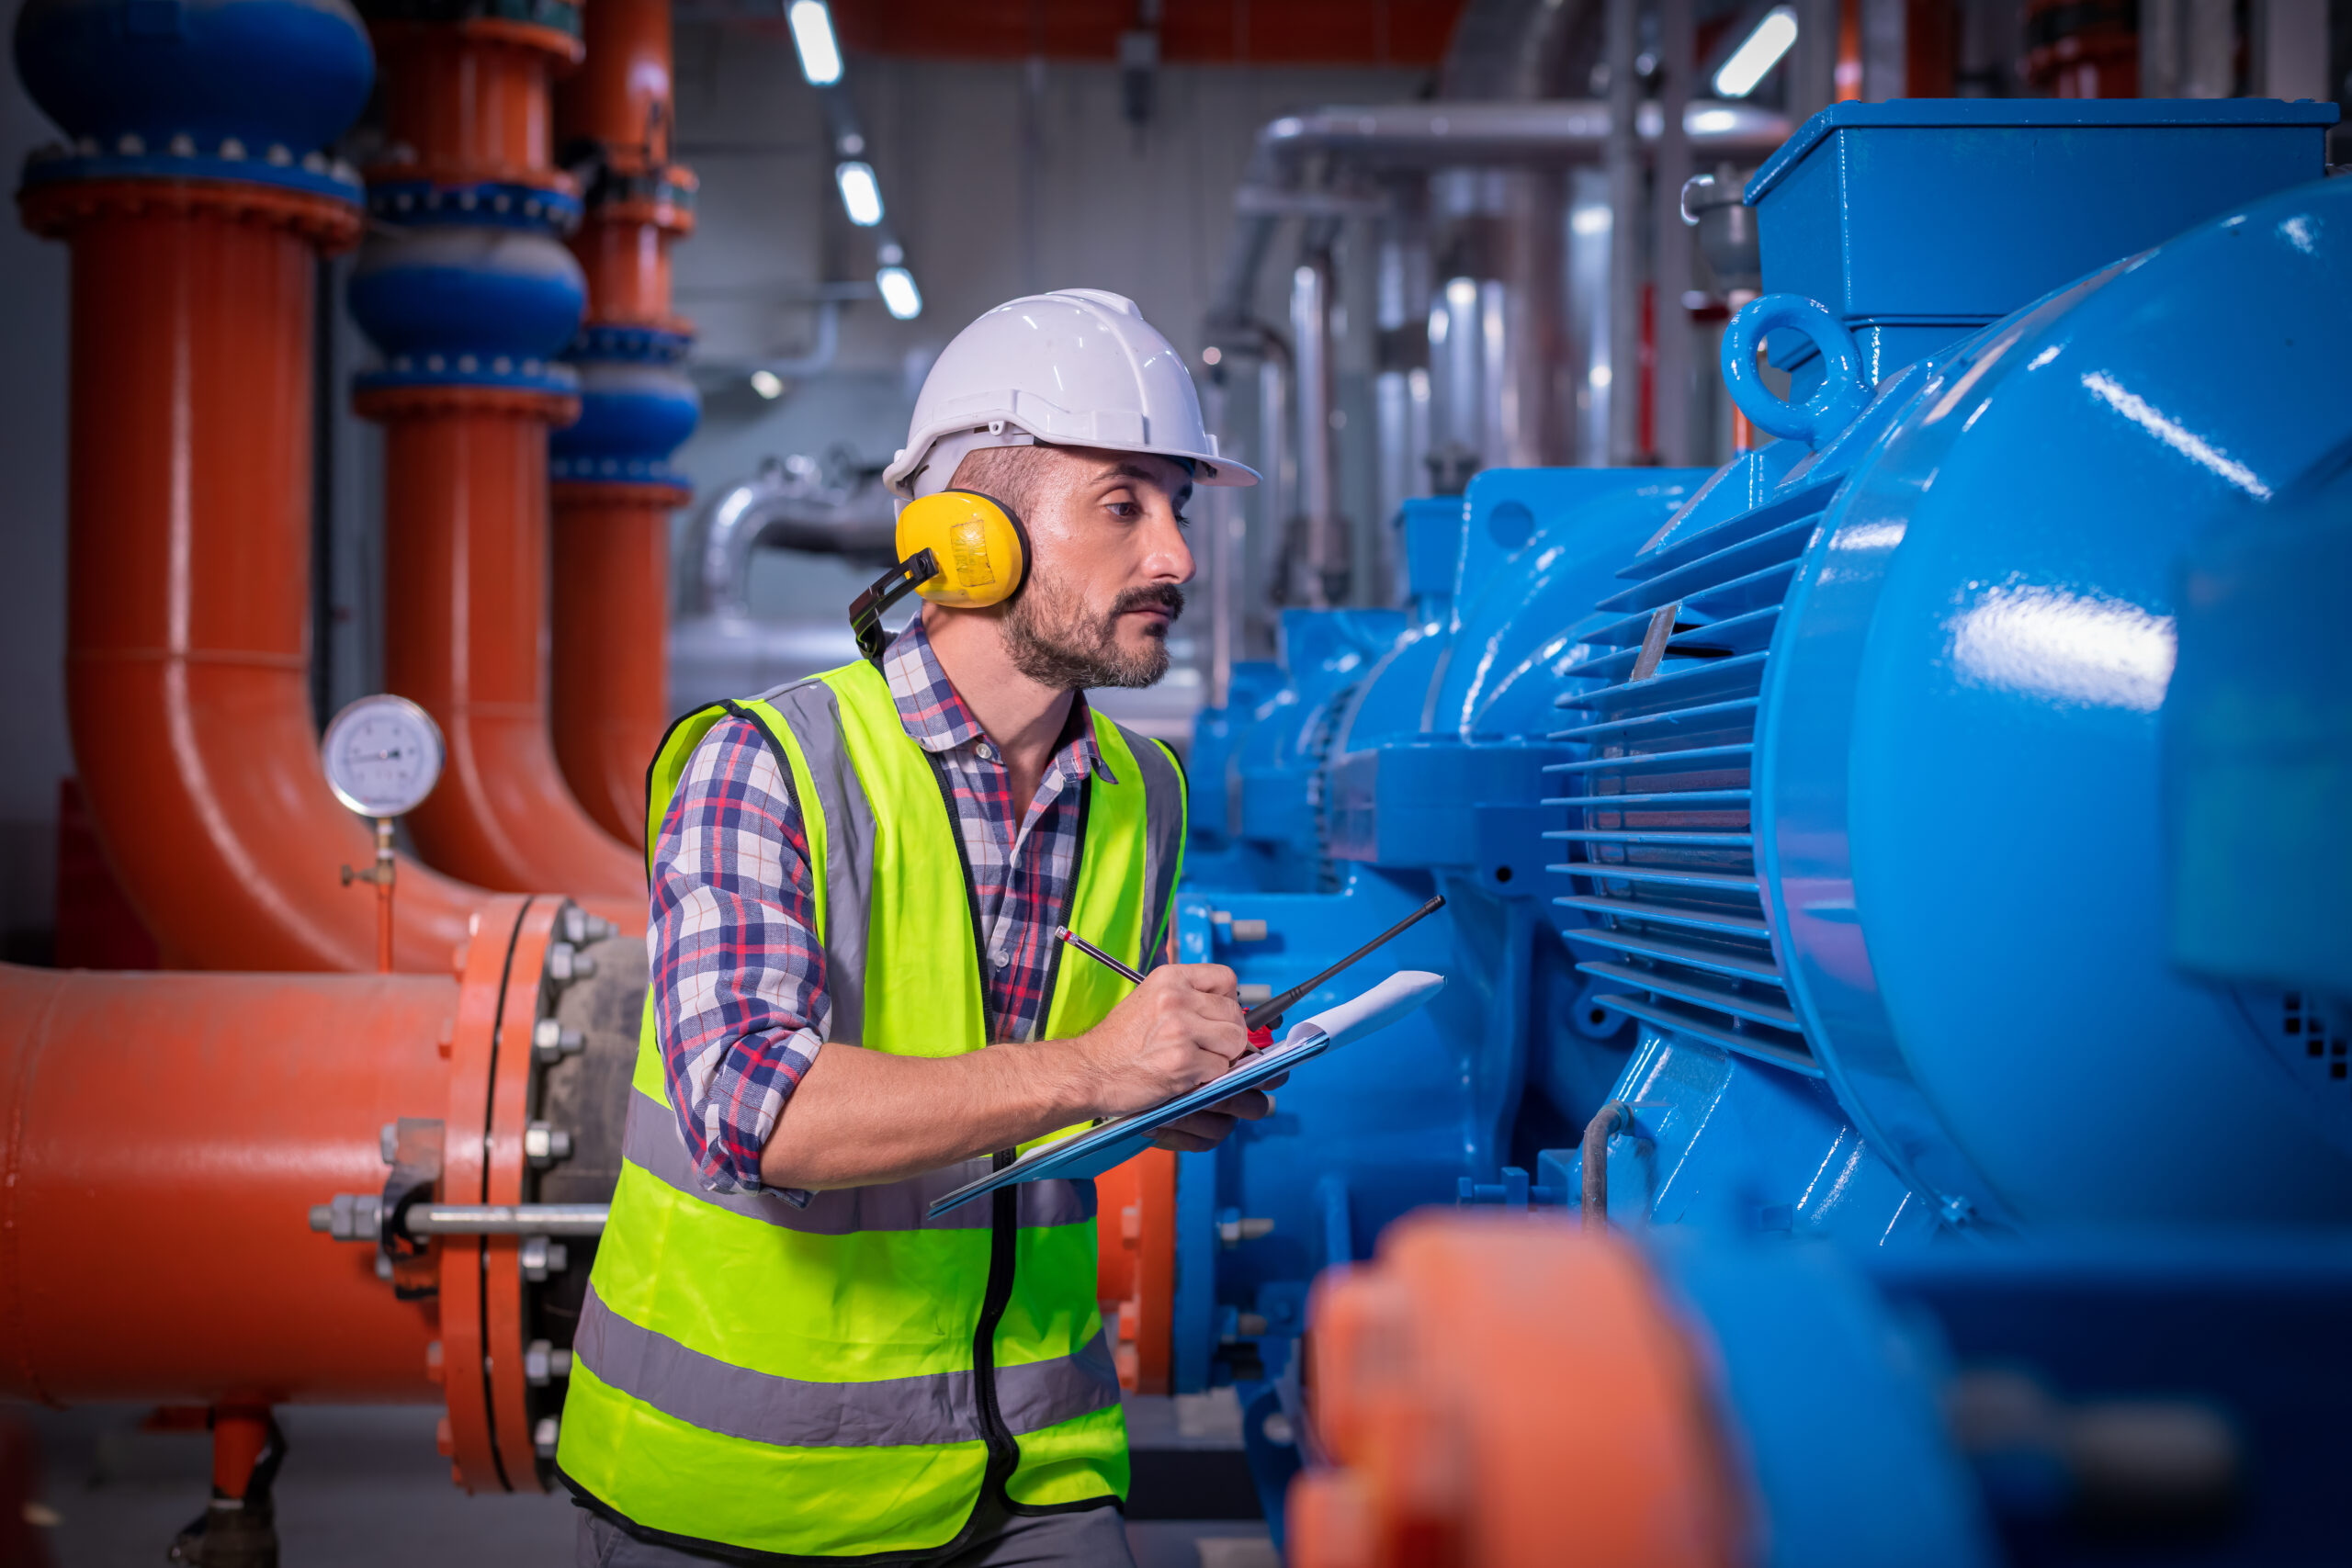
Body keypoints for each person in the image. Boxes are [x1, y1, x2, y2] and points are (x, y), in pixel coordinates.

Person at [560, 289, 1265, 1567]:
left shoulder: (1141, 794)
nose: (1177, 557)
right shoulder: (767, 766)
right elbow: (750, 1113)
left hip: (1033, 1460)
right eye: (1124, 505)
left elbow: (1040, 1116)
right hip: (745, 1488)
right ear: (968, 537)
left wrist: (1169, 1088)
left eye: (1182, 508)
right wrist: (1095, 1067)